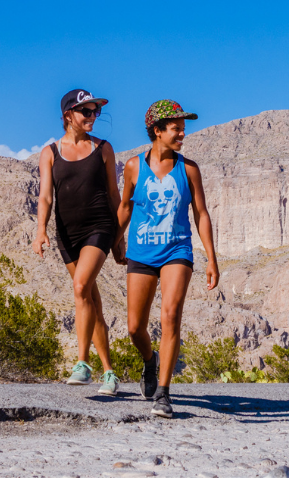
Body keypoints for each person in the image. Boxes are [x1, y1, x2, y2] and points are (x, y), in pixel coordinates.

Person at [115, 99, 220, 418]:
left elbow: (201, 214)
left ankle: (163, 393)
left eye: (183, 128)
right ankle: (150, 360)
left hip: (177, 251)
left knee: (171, 314)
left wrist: (211, 259)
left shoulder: (189, 169)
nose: (182, 134)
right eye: (176, 128)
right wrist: (112, 240)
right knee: (135, 328)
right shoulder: (134, 167)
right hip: (142, 252)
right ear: (157, 131)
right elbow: (125, 208)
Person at [32, 89, 123, 396]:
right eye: (87, 111)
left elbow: (114, 195)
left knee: (81, 287)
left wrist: (118, 237)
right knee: (91, 301)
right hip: (67, 234)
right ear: (68, 115)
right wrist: (40, 229)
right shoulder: (50, 153)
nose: (93, 116)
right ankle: (109, 373)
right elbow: (46, 196)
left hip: (99, 227)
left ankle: (82, 363)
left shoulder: (104, 149)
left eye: (96, 111)